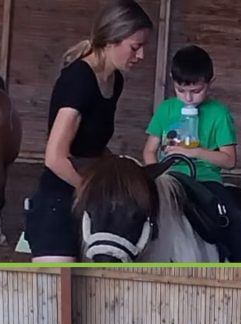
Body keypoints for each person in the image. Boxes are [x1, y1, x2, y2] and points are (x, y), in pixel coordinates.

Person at [24, 0, 153, 262]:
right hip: (59, 199)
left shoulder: (115, 80)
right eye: (135, 47)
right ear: (112, 40)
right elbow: (55, 158)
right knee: (59, 283)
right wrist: (95, 191)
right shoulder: (79, 79)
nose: (141, 55)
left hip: (90, 195)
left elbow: (93, 144)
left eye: (143, 47)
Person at [142, 44, 237, 188]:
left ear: (210, 82)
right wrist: (158, 177)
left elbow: (229, 161)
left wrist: (195, 152)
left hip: (206, 180)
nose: (188, 98)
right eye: (180, 90)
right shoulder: (166, 109)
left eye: (196, 91)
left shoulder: (219, 113)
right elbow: (149, 151)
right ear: (172, 79)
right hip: (169, 177)